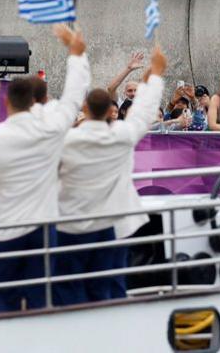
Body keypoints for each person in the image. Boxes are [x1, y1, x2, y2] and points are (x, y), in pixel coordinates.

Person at [0, 25, 90, 313]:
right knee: (40, 299)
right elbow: (73, 97)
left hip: (4, 228)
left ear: (7, 102)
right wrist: (76, 54)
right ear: (35, 101)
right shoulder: (50, 129)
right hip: (43, 227)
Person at [55, 46, 166, 306]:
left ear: (84, 107)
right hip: (109, 225)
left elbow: (66, 105)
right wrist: (155, 76)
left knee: (69, 289)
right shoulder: (121, 135)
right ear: (110, 110)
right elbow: (143, 113)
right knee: (111, 287)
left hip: (70, 224)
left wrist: (78, 56)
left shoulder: (65, 140)